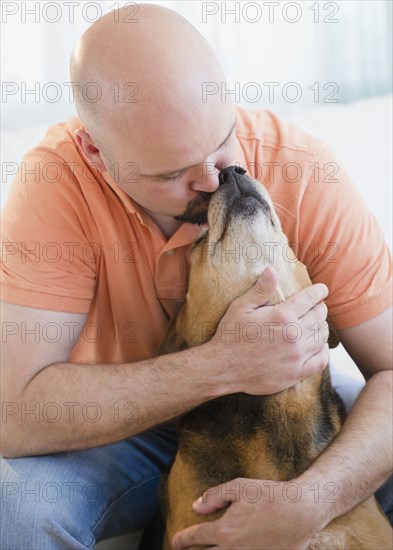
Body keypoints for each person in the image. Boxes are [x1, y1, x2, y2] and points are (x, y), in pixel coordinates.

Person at [1, 4, 391, 549]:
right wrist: (223, 364)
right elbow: (14, 415)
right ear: (96, 153)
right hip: (120, 423)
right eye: (173, 172)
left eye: (222, 142)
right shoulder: (55, 184)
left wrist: (312, 501)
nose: (216, 179)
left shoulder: (301, 169)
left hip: (292, 401)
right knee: (14, 508)